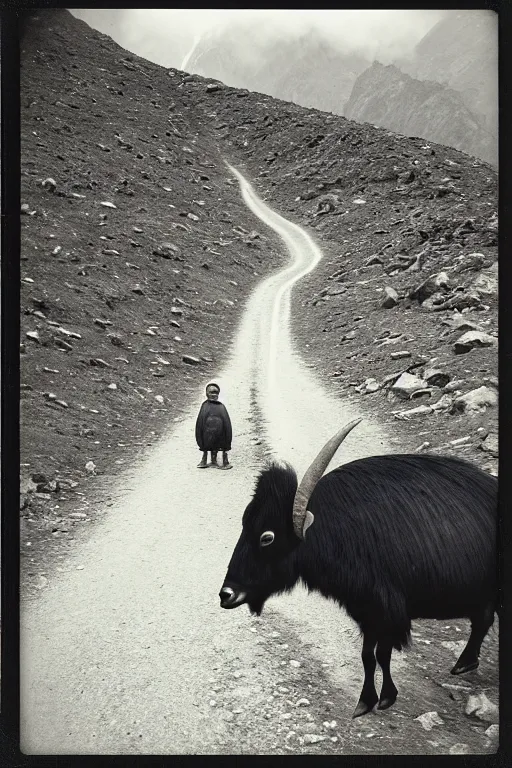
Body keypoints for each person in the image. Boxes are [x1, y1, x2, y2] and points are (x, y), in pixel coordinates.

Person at [195, 382, 233, 470]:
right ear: (206, 393)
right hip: (207, 434)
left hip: (220, 435)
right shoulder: (204, 406)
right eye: (211, 392)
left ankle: (224, 461)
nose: (213, 395)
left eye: (215, 393)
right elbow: (200, 422)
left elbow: (227, 423)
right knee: (207, 441)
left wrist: (228, 439)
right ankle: (205, 459)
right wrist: (199, 436)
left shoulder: (221, 407)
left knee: (221, 442)